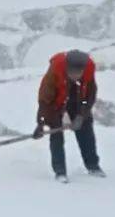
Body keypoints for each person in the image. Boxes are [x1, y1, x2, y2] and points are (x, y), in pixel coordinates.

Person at [33, 49, 105, 183]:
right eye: (72, 73)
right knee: (56, 134)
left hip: (78, 100)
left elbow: (89, 97)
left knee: (86, 131)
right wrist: (41, 123)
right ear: (66, 68)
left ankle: (93, 165)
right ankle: (60, 171)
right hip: (56, 102)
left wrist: (81, 115)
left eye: (78, 73)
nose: (75, 76)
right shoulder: (54, 73)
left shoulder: (88, 72)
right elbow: (45, 101)